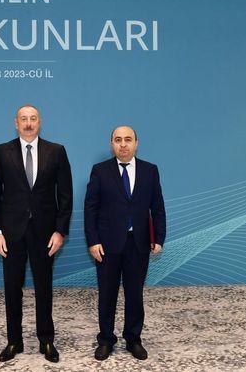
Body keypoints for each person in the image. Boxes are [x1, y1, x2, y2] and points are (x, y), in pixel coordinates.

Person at [0, 104, 73, 363]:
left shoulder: (56, 151)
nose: (28, 123)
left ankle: (46, 340)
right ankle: (14, 341)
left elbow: (65, 195)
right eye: (23, 119)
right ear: (16, 123)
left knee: (44, 287)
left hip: (45, 233)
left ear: (40, 122)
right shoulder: (1, 152)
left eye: (33, 118)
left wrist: (60, 231)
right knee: (12, 288)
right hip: (11, 233)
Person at [84, 125, 166, 361]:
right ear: (111, 143)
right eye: (118, 140)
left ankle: (133, 339)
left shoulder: (150, 171)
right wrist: (93, 241)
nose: (123, 144)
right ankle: (106, 340)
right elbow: (91, 209)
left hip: (138, 244)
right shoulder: (100, 171)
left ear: (136, 143)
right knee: (107, 294)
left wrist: (158, 237)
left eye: (128, 139)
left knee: (135, 294)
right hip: (107, 245)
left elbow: (157, 207)